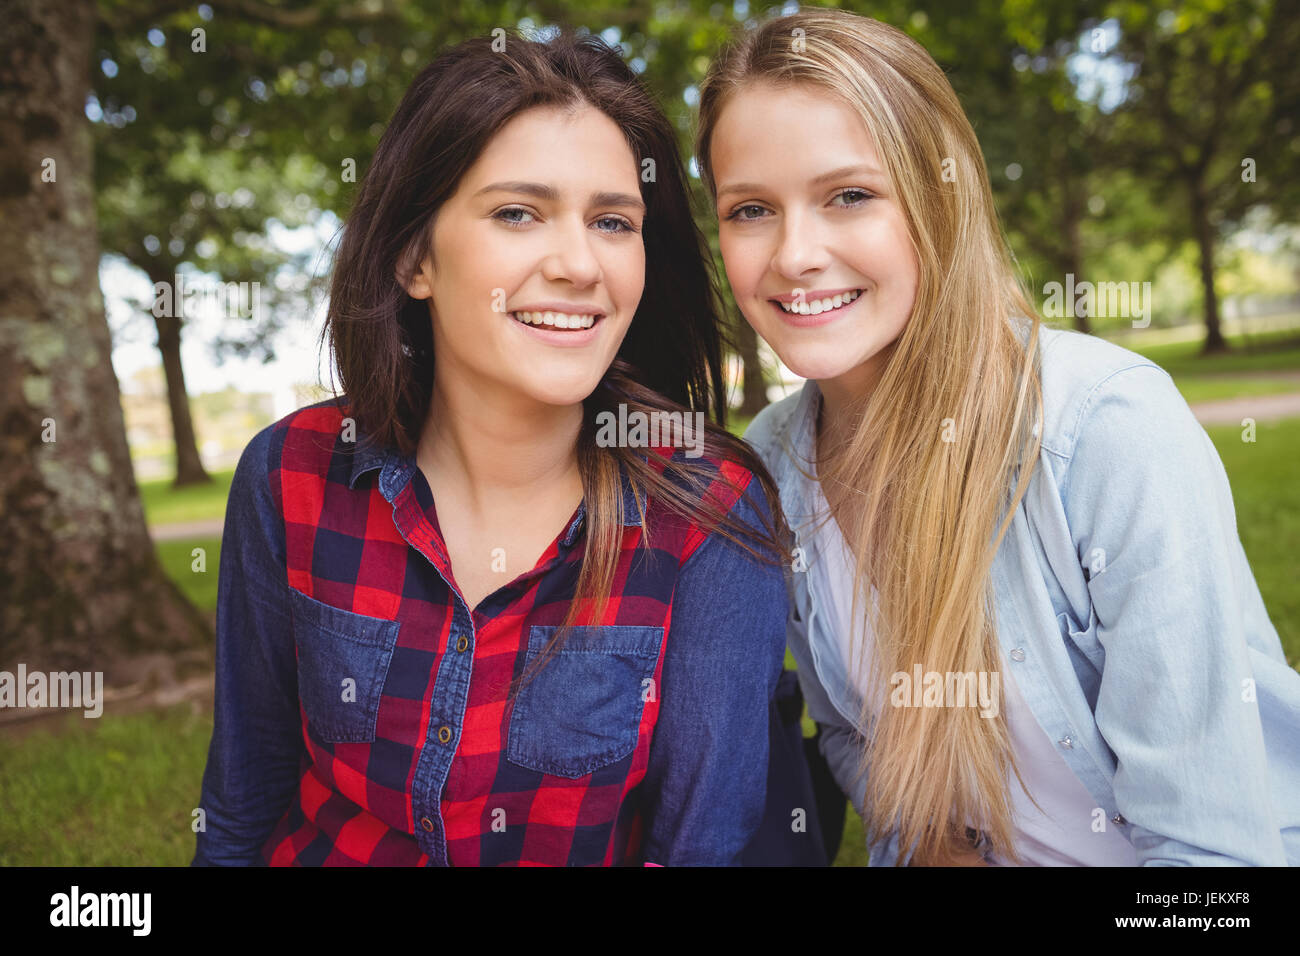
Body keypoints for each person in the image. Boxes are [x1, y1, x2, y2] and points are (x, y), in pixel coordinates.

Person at [696, 6, 1300, 866]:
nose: (794, 253)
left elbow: (1216, 863)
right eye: (751, 208)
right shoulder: (773, 463)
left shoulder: (1104, 432)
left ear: (941, 199)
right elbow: (847, 731)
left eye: (850, 196)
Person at [192, 28, 792, 867]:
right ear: (414, 257)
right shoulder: (290, 472)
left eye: (614, 221)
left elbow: (704, 849)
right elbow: (241, 808)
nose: (581, 264)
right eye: (518, 212)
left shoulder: (707, 510)